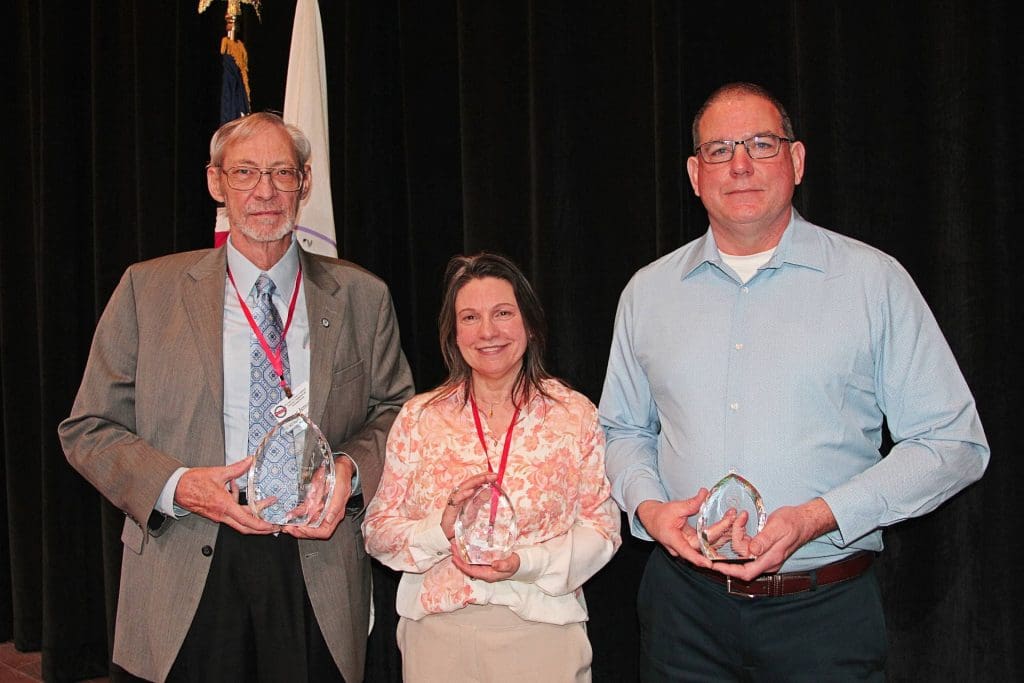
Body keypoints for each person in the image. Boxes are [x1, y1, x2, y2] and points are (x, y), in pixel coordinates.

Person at [599, 82, 989, 681]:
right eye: (719, 149)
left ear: (797, 160)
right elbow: (623, 428)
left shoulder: (872, 282)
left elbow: (953, 443)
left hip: (824, 614)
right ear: (694, 174)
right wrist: (649, 508)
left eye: (761, 143)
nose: (740, 164)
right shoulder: (646, 294)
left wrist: (818, 516)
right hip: (682, 615)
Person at [58, 112, 415, 682]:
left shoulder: (362, 296)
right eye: (245, 172)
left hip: (313, 561)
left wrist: (349, 469)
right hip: (187, 551)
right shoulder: (147, 291)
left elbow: (397, 412)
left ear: (305, 182)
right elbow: (88, 428)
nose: (265, 191)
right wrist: (180, 487)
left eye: (281, 173)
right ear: (215, 182)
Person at [363, 252, 621, 682]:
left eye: (503, 313)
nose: (487, 332)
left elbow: (602, 529)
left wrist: (528, 562)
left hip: (543, 634)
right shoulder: (419, 418)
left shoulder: (574, 415)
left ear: (530, 324)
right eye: (470, 317)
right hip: (437, 639)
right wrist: (439, 529)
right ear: (453, 333)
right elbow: (377, 532)